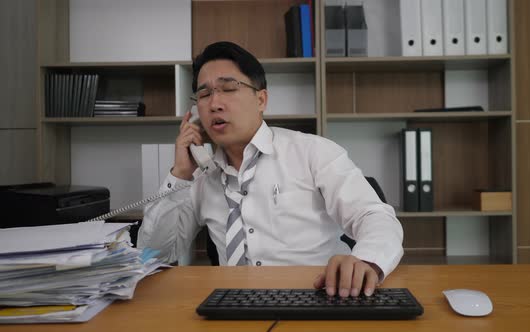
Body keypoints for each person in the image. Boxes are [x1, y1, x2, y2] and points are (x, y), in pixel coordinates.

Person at [138, 41, 404, 298]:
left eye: (228, 88)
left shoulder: (313, 152)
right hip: (232, 307)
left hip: (316, 298)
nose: (214, 103)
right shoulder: (199, 177)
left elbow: (374, 216)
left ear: (261, 100)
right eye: (204, 94)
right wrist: (180, 173)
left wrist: (365, 260)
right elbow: (153, 255)